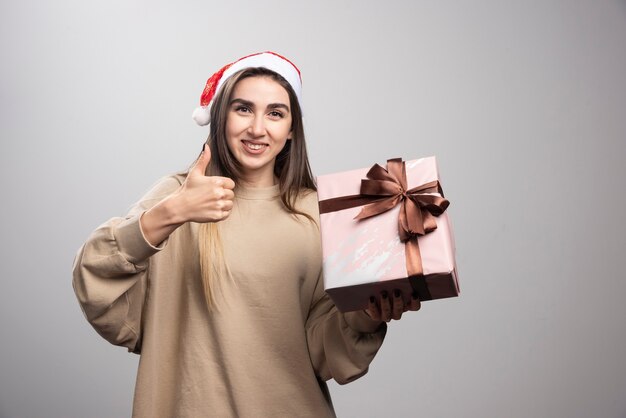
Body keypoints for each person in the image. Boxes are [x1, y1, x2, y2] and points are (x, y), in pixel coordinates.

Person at [72, 51, 421, 418]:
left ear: (290, 131)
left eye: (275, 113)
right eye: (243, 109)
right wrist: (173, 212)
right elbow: (94, 279)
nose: (257, 128)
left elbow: (323, 353)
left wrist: (367, 316)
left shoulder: (317, 214)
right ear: (220, 118)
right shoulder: (177, 195)